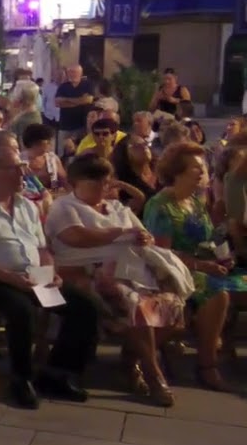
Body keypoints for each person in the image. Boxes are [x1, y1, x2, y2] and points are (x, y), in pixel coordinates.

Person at [0, 145, 101, 409]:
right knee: (21, 310)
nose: (23, 172)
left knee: (85, 308)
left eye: (22, 167)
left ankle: (56, 374)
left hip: (31, 277)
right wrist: (11, 278)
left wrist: (50, 272)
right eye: (15, 168)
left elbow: (42, 248)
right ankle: (21, 379)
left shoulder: (27, 207)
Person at [45, 156, 185, 407]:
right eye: (94, 182)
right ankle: (153, 374)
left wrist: (143, 238)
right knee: (137, 305)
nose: (101, 187)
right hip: (86, 271)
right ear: (76, 182)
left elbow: (144, 234)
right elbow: (76, 237)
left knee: (173, 306)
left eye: (105, 181)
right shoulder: (65, 207)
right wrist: (121, 233)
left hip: (132, 271)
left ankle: (130, 361)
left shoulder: (118, 208)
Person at [142, 142, 235, 392]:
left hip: (202, 267)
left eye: (202, 167)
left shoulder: (194, 202)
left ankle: (210, 351)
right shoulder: (161, 205)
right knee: (218, 292)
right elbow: (162, 255)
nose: (202, 172)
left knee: (232, 284)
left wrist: (223, 256)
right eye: (196, 167)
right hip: (168, 272)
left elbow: (210, 237)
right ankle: (207, 364)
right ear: (178, 171)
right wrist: (201, 265)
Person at [55, 65, 94, 151]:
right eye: (70, 72)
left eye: (74, 72)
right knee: (62, 151)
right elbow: (57, 103)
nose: (72, 74)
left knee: (79, 150)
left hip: (81, 125)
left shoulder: (87, 85)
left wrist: (66, 100)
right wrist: (80, 101)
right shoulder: (63, 86)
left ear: (80, 73)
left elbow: (88, 100)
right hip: (65, 126)